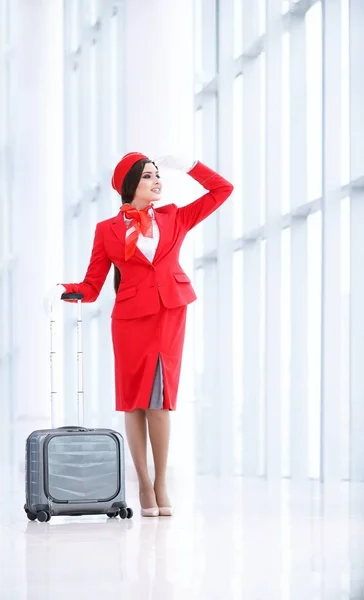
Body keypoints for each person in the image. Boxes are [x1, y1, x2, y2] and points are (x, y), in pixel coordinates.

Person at [44, 153, 234, 517]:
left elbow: (222, 190)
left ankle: (161, 480)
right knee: (133, 400)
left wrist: (191, 166)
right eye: (149, 176)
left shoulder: (175, 216)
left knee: (159, 399)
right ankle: (143, 483)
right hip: (130, 319)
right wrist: (60, 290)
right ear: (130, 185)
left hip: (168, 312)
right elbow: (92, 285)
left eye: (158, 175)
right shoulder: (107, 230)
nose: (157, 181)